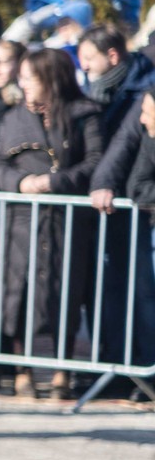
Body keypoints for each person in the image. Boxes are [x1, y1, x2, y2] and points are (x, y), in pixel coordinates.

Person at [0, 48, 106, 398]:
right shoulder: (13, 118)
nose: (22, 83)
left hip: (66, 220)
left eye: (30, 77)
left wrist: (55, 183)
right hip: (23, 220)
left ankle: (63, 371)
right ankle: (21, 368)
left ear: (51, 79)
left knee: (65, 290)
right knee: (18, 291)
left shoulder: (84, 114)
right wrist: (19, 183)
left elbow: (95, 161)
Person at [90, 88, 155, 372]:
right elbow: (138, 186)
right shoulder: (148, 140)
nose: (142, 118)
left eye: (148, 112)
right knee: (143, 296)